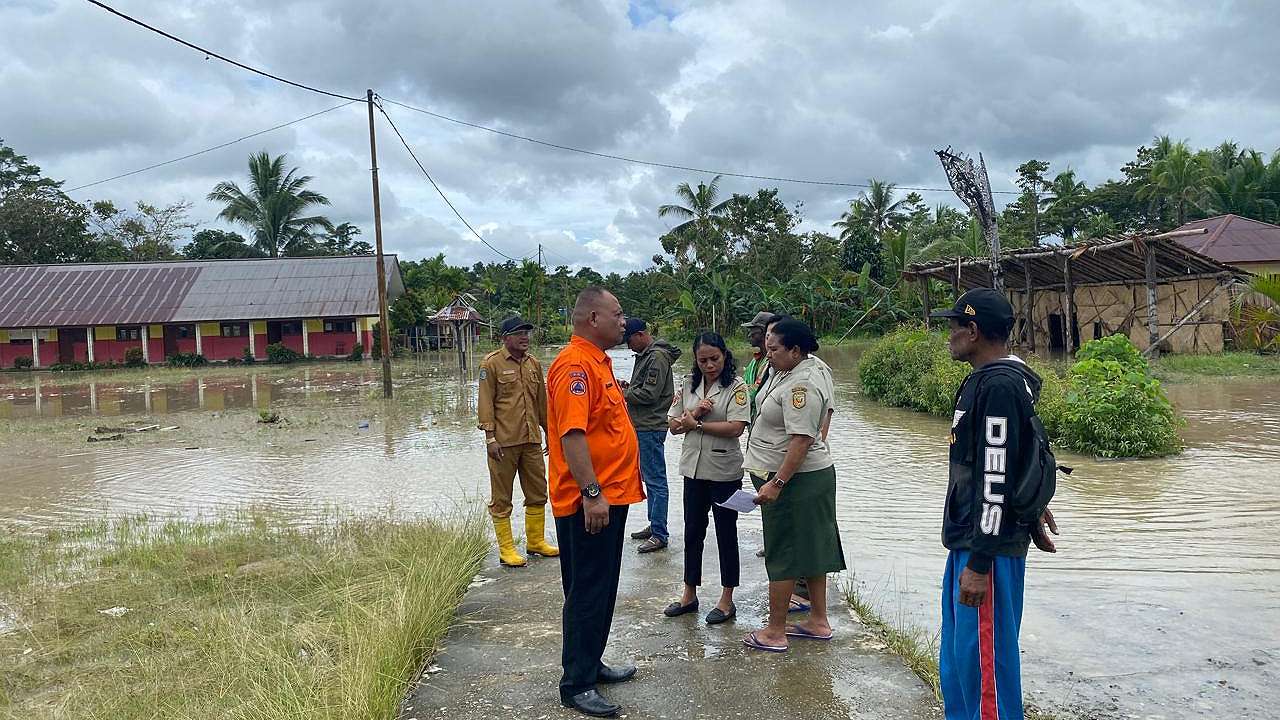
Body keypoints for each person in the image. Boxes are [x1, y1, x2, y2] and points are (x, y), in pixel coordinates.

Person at [930, 288, 1060, 720]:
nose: (948, 334)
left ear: (974, 330)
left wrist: (981, 563)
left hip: (986, 550)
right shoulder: (986, 380)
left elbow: (996, 474)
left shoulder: (1001, 385)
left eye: (954, 326)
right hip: (969, 540)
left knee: (987, 673)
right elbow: (1010, 459)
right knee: (960, 664)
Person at [547, 287, 645, 718]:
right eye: (617, 314)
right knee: (587, 590)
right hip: (589, 501)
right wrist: (592, 494)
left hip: (610, 497)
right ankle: (577, 684)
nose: (624, 321)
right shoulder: (574, 366)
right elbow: (572, 436)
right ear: (592, 318)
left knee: (601, 587)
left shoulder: (598, 362)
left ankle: (592, 662)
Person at [742, 318, 846, 653]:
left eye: (773, 349)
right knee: (814, 549)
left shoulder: (803, 383)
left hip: (796, 480)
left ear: (796, 350)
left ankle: (775, 631)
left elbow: (802, 439)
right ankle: (818, 620)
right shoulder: (793, 368)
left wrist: (777, 483)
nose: (767, 353)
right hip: (802, 477)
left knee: (783, 550)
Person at [662, 332, 750, 625]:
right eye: (703, 360)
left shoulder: (736, 387)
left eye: (715, 358)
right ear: (696, 360)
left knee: (727, 533)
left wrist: (697, 424)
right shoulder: (688, 383)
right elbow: (674, 425)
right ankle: (689, 594)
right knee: (692, 532)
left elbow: (737, 427)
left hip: (724, 472)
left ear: (725, 356)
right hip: (693, 470)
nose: (709, 365)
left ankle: (727, 599)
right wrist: (695, 412)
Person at [477, 315, 558, 567]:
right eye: (518, 333)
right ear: (505, 338)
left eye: (527, 333)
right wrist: (490, 438)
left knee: (538, 492)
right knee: (502, 497)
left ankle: (535, 542)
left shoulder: (533, 363)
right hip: (503, 442)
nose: (525, 337)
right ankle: (507, 549)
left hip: (531, 440)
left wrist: (549, 432)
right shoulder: (491, 364)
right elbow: (485, 403)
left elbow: (542, 402)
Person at [619, 317, 681, 554]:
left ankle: (659, 533)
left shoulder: (656, 357)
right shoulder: (648, 355)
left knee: (656, 480)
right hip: (644, 425)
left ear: (641, 335)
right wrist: (629, 387)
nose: (628, 346)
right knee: (650, 478)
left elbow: (649, 394)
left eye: (629, 340)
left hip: (650, 426)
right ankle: (655, 524)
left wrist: (625, 393)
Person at [740, 311, 778, 419]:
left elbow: (757, 389)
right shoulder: (755, 361)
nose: (749, 335)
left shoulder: (776, 361)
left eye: (752, 331)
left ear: (763, 332)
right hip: (754, 419)